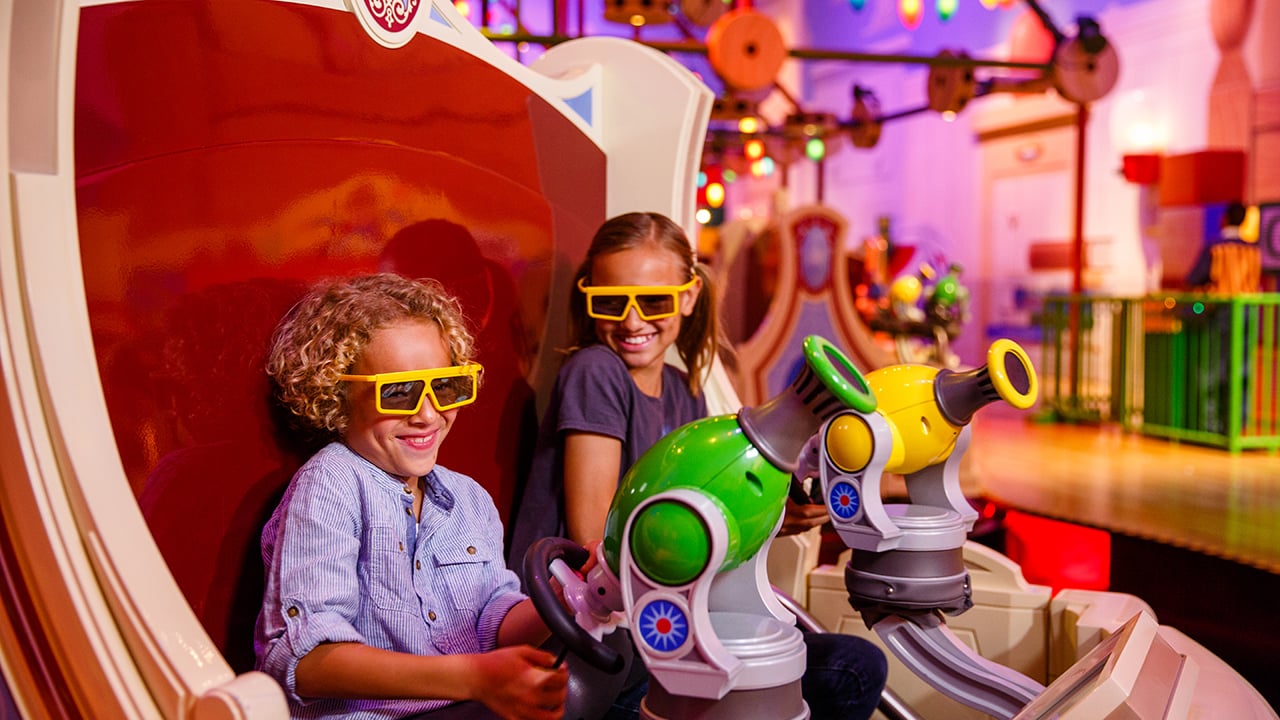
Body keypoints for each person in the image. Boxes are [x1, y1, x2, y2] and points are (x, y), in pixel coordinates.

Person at [509, 212, 888, 719]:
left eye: (654, 302)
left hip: (653, 625)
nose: (632, 321)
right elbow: (600, 540)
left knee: (855, 665)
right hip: (595, 643)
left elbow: (697, 528)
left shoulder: (684, 391)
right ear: (589, 298)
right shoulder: (595, 371)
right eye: (611, 302)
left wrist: (773, 520)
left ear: (688, 297)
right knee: (847, 671)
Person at [254, 273, 567, 720]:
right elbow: (305, 662)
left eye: (445, 386)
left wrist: (577, 596)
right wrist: (474, 677)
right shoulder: (332, 483)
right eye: (398, 392)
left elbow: (494, 625)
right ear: (338, 397)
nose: (427, 414)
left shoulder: (469, 499)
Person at [1185, 200, 1248, 289]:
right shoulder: (1252, 249)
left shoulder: (1215, 247)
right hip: (1245, 301)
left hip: (1219, 300)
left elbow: (1196, 277)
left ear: (1225, 218)